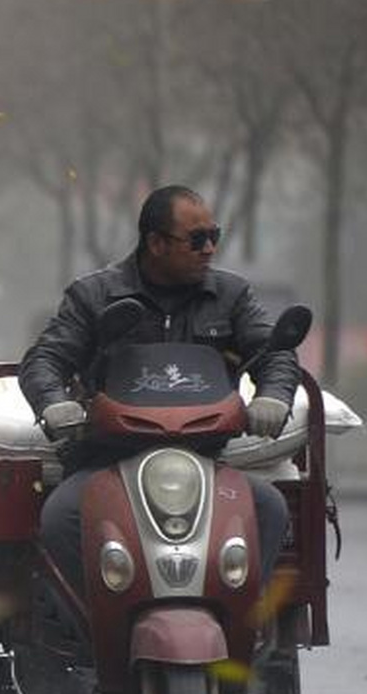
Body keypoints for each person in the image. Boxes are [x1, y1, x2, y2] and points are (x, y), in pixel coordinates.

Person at [20, 185, 300, 597]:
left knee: (268, 508)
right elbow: (44, 359)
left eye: (214, 236)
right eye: (196, 239)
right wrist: (55, 405)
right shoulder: (93, 296)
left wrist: (273, 397)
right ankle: (95, 632)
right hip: (107, 461)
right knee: (61, 516)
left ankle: (240, 628)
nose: (209, 249)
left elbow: (274, 351)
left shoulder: (232, 296)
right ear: (155, 242)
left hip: (202, 460)